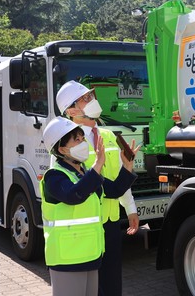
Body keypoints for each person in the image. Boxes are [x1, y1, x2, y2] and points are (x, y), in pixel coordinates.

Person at [56, 80, 141, 296]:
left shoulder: (110, 136)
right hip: (87, 228)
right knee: (93, 288)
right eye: (85, 98)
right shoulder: (69, 144)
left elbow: (117, 174)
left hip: (111, 223)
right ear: (72, 110)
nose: (92, 100)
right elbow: (95, 187)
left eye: (91, 96)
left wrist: (130, 208)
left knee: (112, 283)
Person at [41, 116, 136, 296]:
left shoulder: (84, 172)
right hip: (67, 259)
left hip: (91, 257)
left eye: (82, 138)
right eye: (76, 140)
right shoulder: (54, 176)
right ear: (62, 149)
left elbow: (114, 190)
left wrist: (127, 167)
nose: (83, 142)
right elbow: (74, 195)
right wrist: (98, 165)